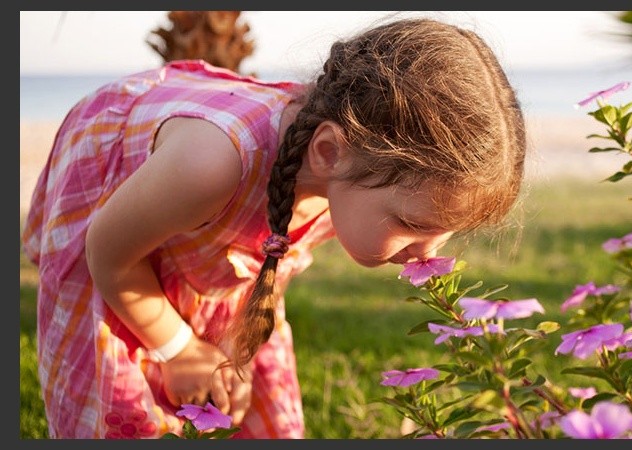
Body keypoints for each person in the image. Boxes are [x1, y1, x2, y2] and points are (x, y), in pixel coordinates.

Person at [21, 17, 528, 439]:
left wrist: (229, 348)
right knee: (122, 416)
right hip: (118, 240)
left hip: (203, 234)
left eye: (445, 233)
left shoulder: (343, 172)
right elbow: (108, 254)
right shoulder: (211, 166)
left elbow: (261, 256)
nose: (429, 253)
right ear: (329, 152)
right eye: (413, 224)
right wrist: (179, 348)